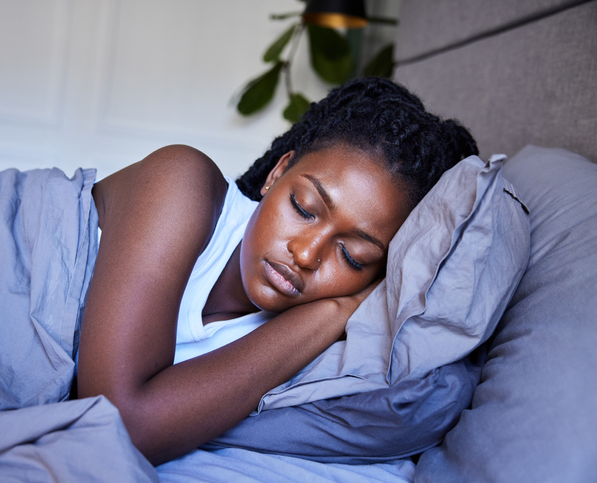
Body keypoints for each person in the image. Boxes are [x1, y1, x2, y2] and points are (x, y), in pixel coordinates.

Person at [76, 77, 478, 465]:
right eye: (303, 208)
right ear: (276, 173)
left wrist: (335, 314)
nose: (305, 254)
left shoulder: (315, 355)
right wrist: (334, 311)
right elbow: (114, 424)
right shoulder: (181, 182)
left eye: (353, 256)